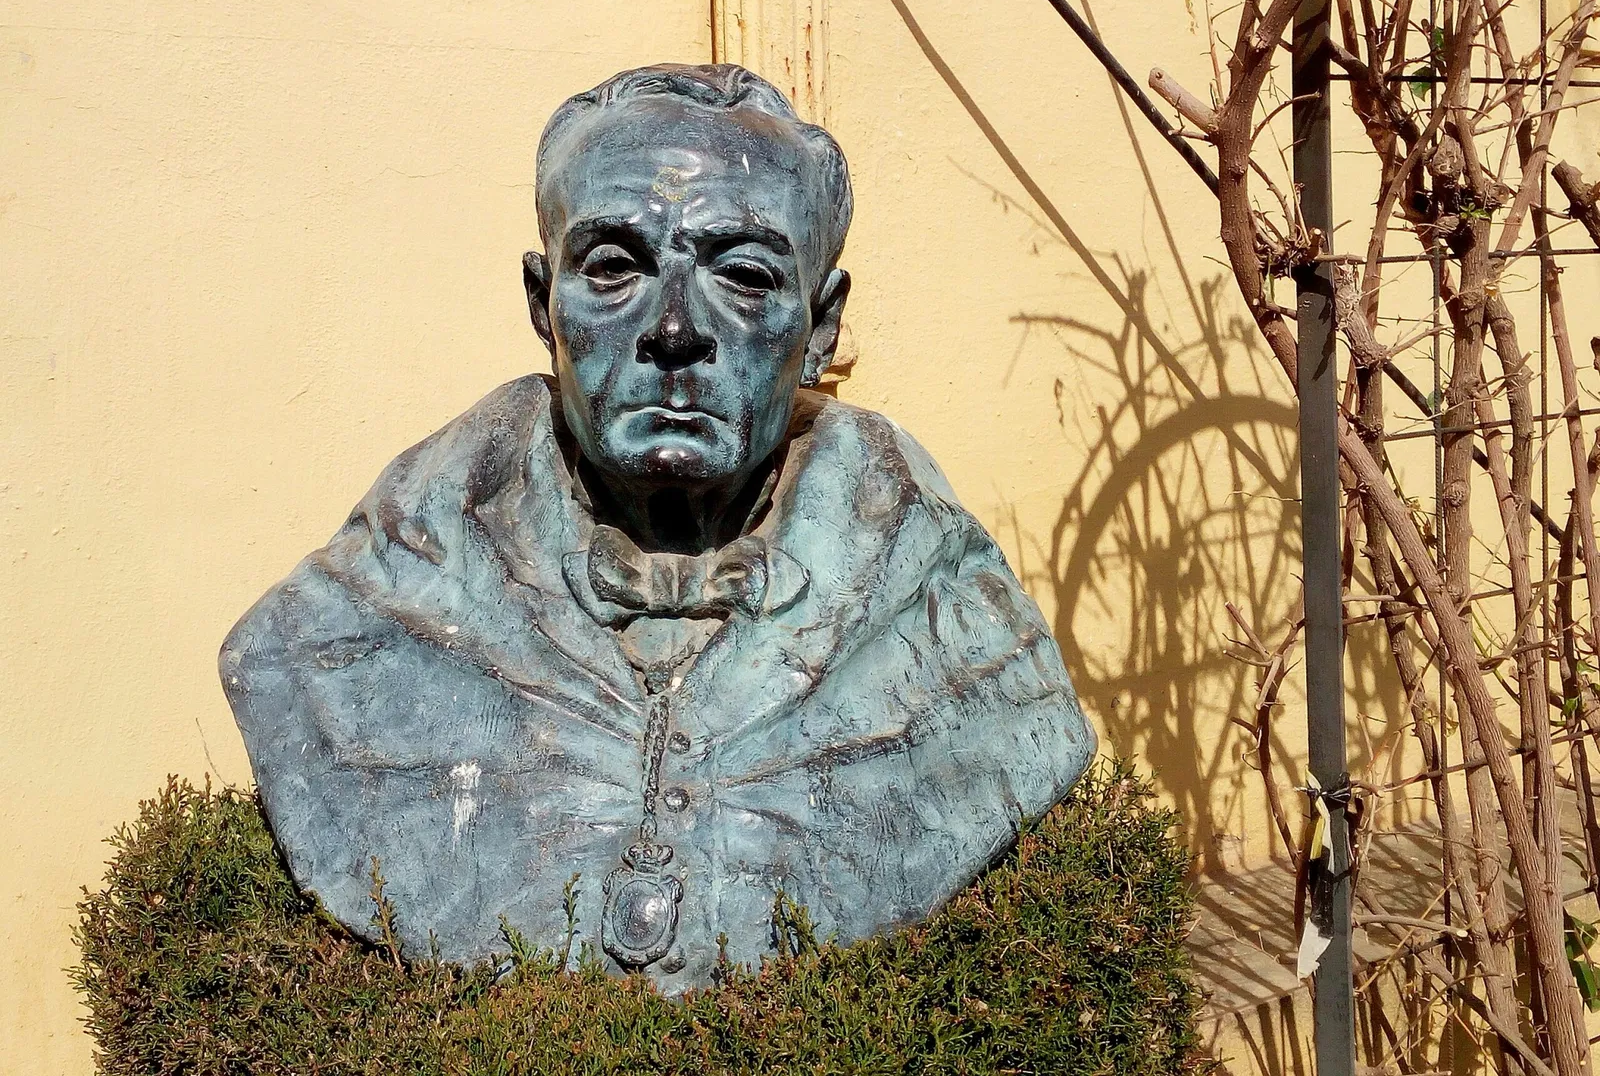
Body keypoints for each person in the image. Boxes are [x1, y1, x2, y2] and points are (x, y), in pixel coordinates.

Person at [221, 63, 1095, 993]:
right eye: (614, 268)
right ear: (539, 302)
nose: (675, 328)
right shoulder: (346, 625)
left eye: (745, 276)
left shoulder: (953, 623)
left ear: (824, 323)